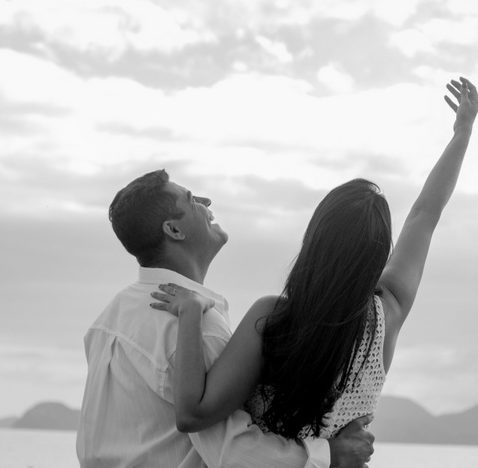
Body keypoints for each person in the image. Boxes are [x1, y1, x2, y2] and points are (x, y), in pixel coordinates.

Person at [148, 77, 478, 443]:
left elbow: (193, 414)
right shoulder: (388, 312)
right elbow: (425, 215)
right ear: (378, 255)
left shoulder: (272, 319)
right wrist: (463, 132)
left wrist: (190, 312)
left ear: (315, 239)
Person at [77, 167, 376, 468]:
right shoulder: (195, 326)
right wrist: (331, 456)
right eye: (192, 199)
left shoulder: (107, 320)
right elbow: (232, 453)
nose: (206, 202)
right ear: (174, 230)